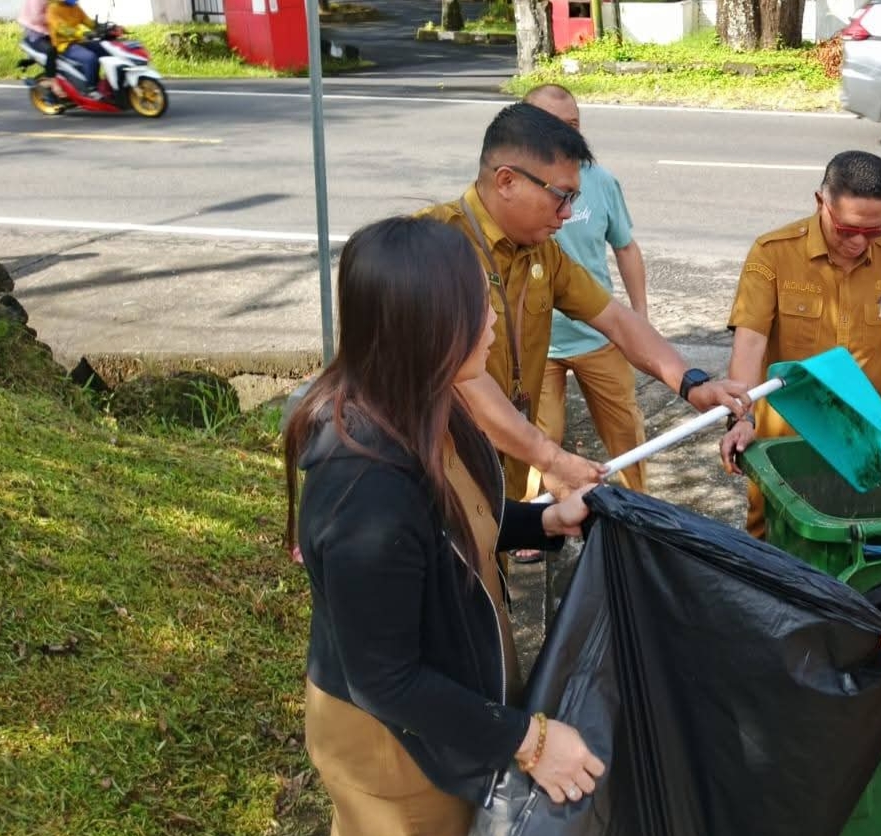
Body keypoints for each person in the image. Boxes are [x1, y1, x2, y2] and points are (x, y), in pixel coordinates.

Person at [284, 216, 605, 834]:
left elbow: (458, 524)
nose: (491, 321)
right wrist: (529, 741)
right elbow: (385, 680)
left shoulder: (433, 407)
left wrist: (544, 522)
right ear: (426, 326)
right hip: (397, 754)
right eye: (476, 307)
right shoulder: (365, 493)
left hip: (451, 708)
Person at [420, 102, 750, 508]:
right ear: (506, 181)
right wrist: (553, 459)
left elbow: (614, 319)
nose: (568, 214)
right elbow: (463, 379)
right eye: (561, 196)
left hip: (501, 476)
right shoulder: (430, 247)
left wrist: (693, 383)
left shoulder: (543, 254)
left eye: (573, 197)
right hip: (440, 474)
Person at [719, 150, 881, 538]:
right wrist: (742, 418)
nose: (859, 241)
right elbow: (750, 343)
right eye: (847, 229)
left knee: (861, 535)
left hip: (864, 437)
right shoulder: (773, 254)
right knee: (773, 536)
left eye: (874, 231)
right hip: (786, 439)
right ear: (820, 202)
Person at [520, 84, 652, 499]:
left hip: (599, 332)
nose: (566, 135)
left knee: (626, 430)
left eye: (573, 125)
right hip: (538, 341)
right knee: (538, 438)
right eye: (551, 126)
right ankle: (536, 516)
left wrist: (639, 317)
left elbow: (626, 247)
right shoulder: (514, 186)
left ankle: (641, 510)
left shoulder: (600, 181)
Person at [46, 0, 101, 97]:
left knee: (104, 49)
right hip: (64, 45)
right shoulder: (53, 9)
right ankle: (90, 89)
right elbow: (61, 28)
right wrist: (81, 33)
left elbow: (88, 21)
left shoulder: (75, 7)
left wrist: (103, 27)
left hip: (79, 42)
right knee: (90, 58)